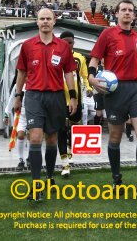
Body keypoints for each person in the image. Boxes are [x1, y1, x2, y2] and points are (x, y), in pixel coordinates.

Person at [88, 0, 137, 198]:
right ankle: (116, 178)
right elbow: (94, 59)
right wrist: (91, 77)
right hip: (114, 91)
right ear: (117, 14)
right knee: (115, 137)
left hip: (136, 89)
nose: (127, 13)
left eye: (130, 10)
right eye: (123, 10)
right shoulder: (107, 34)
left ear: (134, 15)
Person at [13, 8, 78, 201]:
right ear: (37, 22)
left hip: (56, 97)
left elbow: (68, 73)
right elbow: (22, 73)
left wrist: (73, 97)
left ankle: (49, 177)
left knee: (51, 140)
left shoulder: (63, 47)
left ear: (54, 21)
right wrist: (18, 95)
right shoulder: (27, 45)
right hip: (33, 96)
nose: (45, 22)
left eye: (48, 18)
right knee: (34, 138)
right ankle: (35, 185)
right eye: (42, 19)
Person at [59, 31, 92, 177]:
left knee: (73, 128)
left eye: (70, 42)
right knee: (61, 130)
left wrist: (89, 88)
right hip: (59, 99)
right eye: (64, 42)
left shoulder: (79, 58)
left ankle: (70, 151)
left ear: (73, 43)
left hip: (75, 99)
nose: (67, 45)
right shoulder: (55, 57)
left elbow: (85, 76)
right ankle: (65, 163)